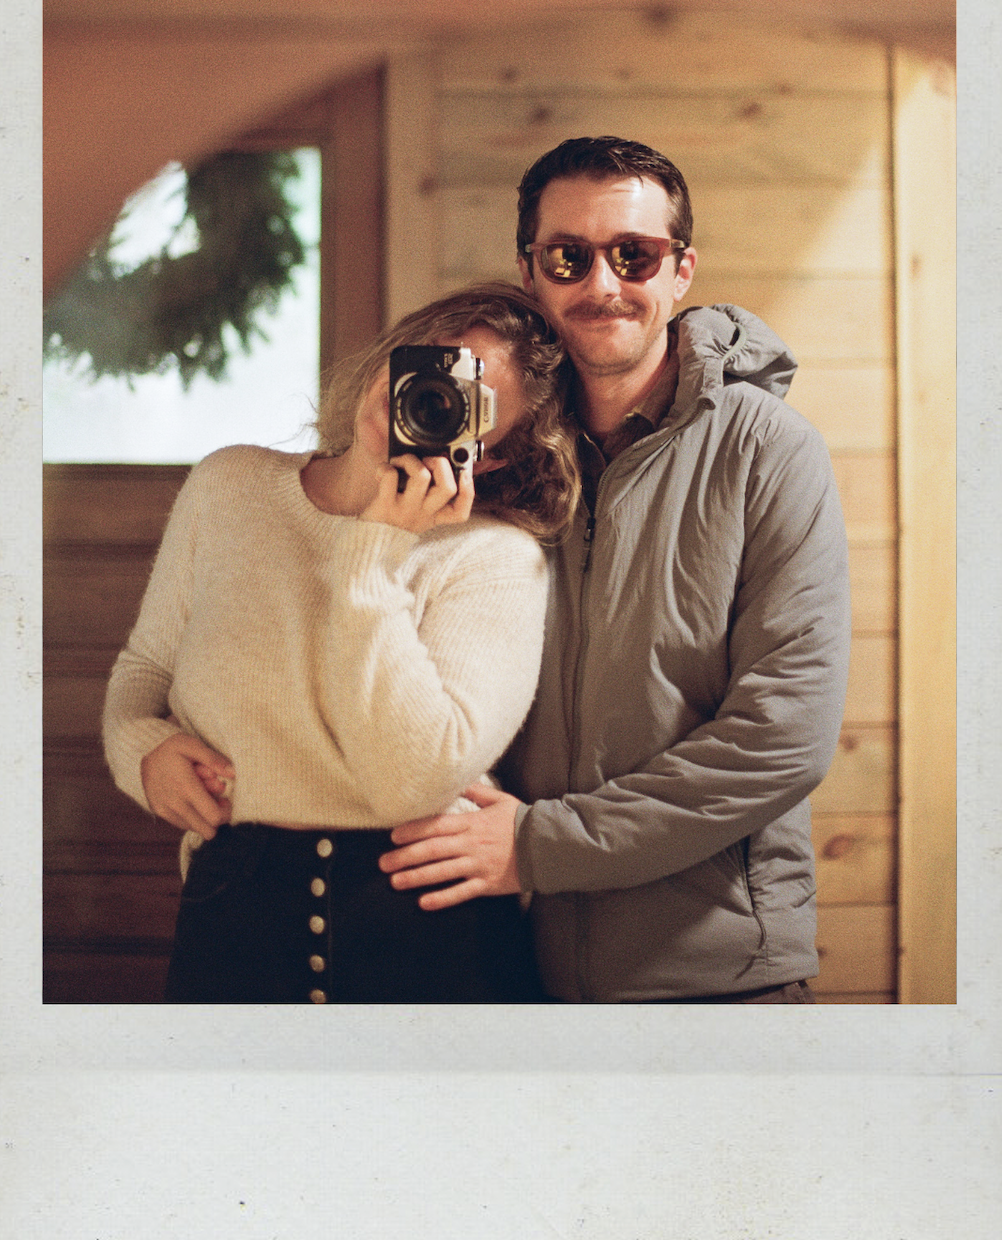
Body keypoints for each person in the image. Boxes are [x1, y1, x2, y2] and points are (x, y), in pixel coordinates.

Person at [379, 136, 852, 1003]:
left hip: (716, 977)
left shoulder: (769, 452)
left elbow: (783, 735)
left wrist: (541, 847)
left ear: (681, 271)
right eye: (570, 257)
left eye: (634, 255)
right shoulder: (490, 456)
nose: (603, 284)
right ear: (531, 273)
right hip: (507, 966)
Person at [102, 283, 580, 1004]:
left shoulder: (494, 560)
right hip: (235, 906)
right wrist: (140, 750)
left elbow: (412, 781)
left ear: (487, 457)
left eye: (468, 400)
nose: (430, 394)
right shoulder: (230, 486)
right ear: (393, 353)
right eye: (430, 363)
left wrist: (375, 553)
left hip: (424, 921)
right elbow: (144, 670)